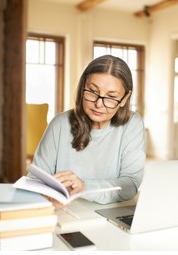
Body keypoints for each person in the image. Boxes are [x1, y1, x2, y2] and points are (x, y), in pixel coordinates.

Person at [29, 55, 146, 205]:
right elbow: (35, 180)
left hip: (109, 213)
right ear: (83, 86)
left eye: (111, 97)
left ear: (124, 99)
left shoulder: (132, 125)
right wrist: (44, 193)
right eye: (93, 91)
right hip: (65, 212)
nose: (98, 104)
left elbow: (130, 185)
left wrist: (84, 187)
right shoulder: (59, 124)